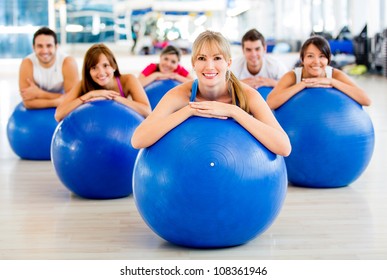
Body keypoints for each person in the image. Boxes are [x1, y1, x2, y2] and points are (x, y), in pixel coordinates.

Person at [131, 30, 291, 157]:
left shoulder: (247, 95)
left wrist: (233, 111)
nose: (209, 66)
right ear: (193, 63)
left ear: (228, 63)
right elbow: (138, 139)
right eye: (201, 58)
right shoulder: (180, 95)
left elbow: (284, 147)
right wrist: (189, 110)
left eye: (217, 58)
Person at [266, 35, 371, 110]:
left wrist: (331, 82)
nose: (316, 62)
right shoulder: (293, 76)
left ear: (328, 60)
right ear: (302, 59)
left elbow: (366, 100)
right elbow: (270, 103)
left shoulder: (335, 75)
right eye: (310, 56)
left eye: (321, 56)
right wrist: (303, 84)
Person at [55, 43, 151, 121]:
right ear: (88, 72)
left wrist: (113, 97)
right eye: (94, 68)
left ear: (114, 66)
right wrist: (90, 95)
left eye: (105, 66)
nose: (101, 73)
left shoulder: (128, 80)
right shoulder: (83, 84)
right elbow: (58, 115)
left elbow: (147, 112)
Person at [19, 26, 79, 109]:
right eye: (40, 46)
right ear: (33, 48)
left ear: (56, 47)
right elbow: (27, 102)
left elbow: (73, 98)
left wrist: (40, 94)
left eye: (49, 46)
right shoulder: (27, 63)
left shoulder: (68, 62)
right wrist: (56, 102)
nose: (45, 51)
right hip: (59, 101)